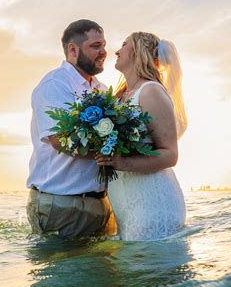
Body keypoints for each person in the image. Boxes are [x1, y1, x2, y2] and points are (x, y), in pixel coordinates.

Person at [95, 31, 187, 241]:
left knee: (150, 270)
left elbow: (170, 155)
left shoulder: (151, 91)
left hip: (151, 201)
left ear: (138, 51)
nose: (117, 51)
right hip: (126, 203)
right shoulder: (119, 96)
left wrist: (123, 162)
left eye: (124, 44)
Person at [26, 19, 115, 237]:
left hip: (100, 204)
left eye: (104, 45)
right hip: (62, 205)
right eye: (95, 46)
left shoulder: (102, 89)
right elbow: (60, 140)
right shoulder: (55, 85)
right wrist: (112, 154)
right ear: (73, 50)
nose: (104, 51)